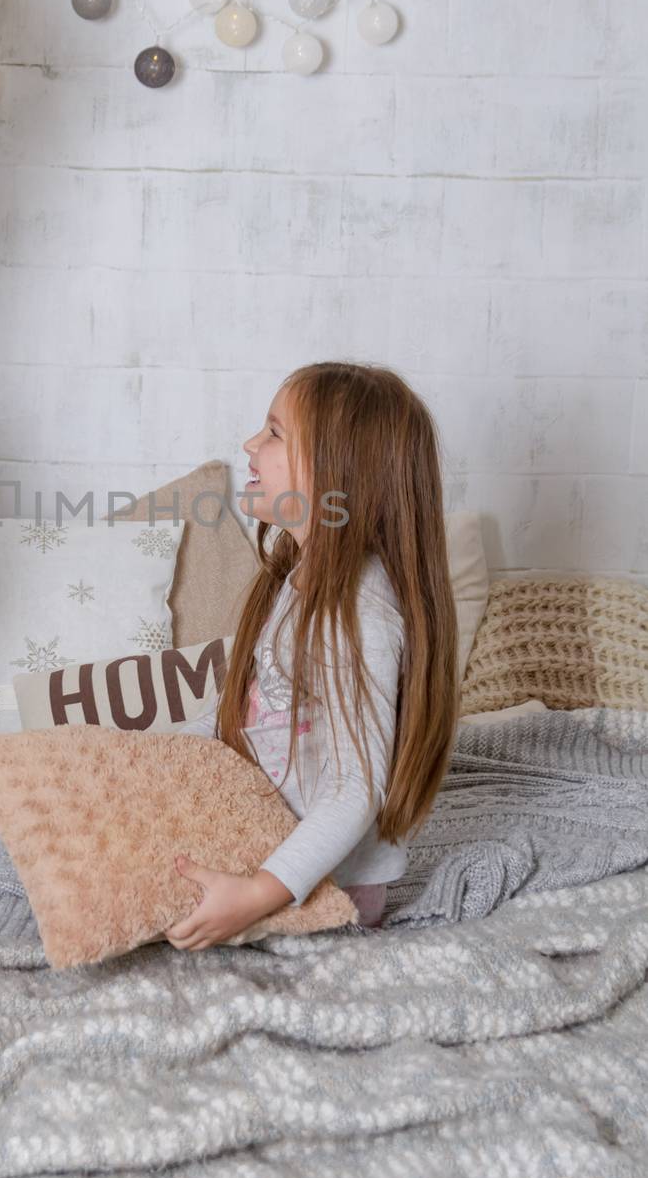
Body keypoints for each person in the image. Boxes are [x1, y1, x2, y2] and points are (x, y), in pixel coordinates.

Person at [164, 362, 460, 946]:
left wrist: (255, 894)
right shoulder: (302, 578)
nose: (250, 444)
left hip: (324, 883)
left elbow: (357, 788)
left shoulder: (358, 609)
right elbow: (245, 719)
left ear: (338, 471)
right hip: (275, 838)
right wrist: (151, 756)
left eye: (274, 433)